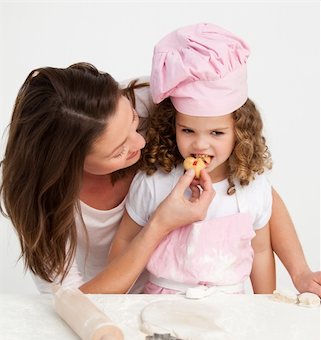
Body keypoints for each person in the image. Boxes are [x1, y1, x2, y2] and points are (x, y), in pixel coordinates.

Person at [0, 60, 320, 295]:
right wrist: (160, 224)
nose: (140, 141)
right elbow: (76, 307)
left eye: (133, 122)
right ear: (69, 164)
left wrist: (300, 273)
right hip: (114, 305)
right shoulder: (38, 206)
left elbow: (253, 189)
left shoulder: (158, 105)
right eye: (118, 150)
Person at [109, 23, 321, 296]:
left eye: (217, 133)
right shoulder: (154, 182)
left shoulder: (251, 188)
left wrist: (263, 307)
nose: (199, 144)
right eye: (187, 130)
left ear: (239, 133)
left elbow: (260, 251)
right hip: (161, 304)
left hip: (232, 307)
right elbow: (125, 240)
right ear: (171, 126)